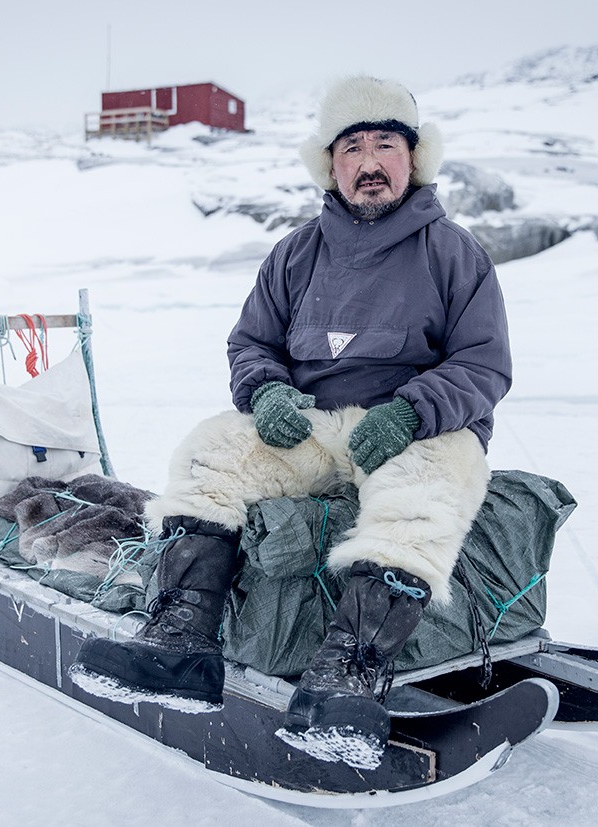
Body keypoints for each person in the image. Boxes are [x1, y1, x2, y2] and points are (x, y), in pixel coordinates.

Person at [70, 75, 512, 768]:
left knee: (429, 489)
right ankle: (180, 642)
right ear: (330, 164)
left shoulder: (455, 253)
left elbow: (485, 366)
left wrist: (411, 410)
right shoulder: (296, 252)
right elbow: (251, 343)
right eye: (352, 147)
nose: (369, 162)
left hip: (417, 433)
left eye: (386, 145)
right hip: (314, 429)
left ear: (414, 157)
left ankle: (346, 678)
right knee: (212, 450)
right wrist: (268, 392)